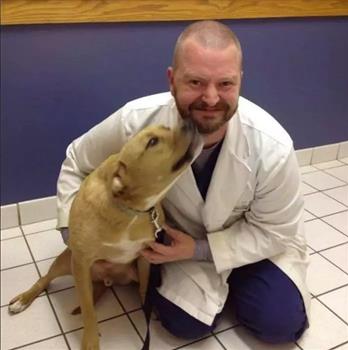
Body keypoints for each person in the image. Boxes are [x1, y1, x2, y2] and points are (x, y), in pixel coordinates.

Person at [57, 20, 310, 344]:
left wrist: (202, 250)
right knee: (183, 324)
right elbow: (76, 160)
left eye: (225, 84)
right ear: (172, 80)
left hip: (254, 244)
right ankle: (221, 290)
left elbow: (275, 232)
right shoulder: (137, 122)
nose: (210, 97)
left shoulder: (272, 145)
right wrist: (72, 232)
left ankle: (240, 286)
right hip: (180, 246)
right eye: (195, 81)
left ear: (240, 82)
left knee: (279, 324)